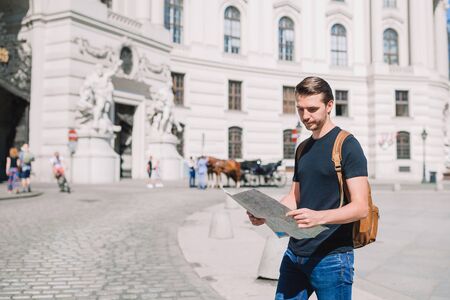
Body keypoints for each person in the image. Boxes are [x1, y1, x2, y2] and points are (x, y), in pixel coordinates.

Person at [248, 76, 369, 300]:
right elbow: (295, 196)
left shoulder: (348, 145)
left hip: (332, 259)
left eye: (312, 109)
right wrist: (265, 213)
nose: (305, 116)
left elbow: (361, 207)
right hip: (295, 255)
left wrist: (319, 217)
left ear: (329, 105)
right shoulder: (302, 148)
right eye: (300, 109)